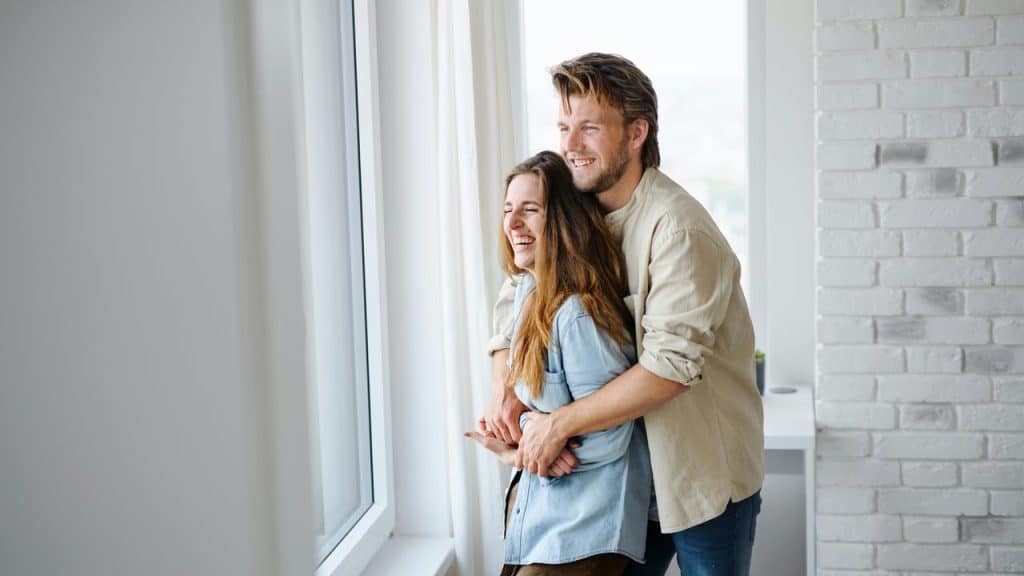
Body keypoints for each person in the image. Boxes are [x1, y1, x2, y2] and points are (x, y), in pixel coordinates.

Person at [484, 53, 764, 575]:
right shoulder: (580, 209)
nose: (569, 145)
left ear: (636, 133)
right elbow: (520, 288)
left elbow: (668, 369)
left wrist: (557, 425)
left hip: (700, 477)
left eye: (589, 128)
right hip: (624, 478)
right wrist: (505, 383)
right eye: (564, 126)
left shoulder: (678, 231)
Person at [467, 150, 652, 575]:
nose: (512, 224)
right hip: (540, 519)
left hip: (582, 530)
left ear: (563, 221)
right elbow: (538, 417)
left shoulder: (577, 314)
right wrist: (529, 434)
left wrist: (525, 449)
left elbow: (611, 435)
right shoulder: (528, 294)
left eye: (530, 210)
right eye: (509, 210)